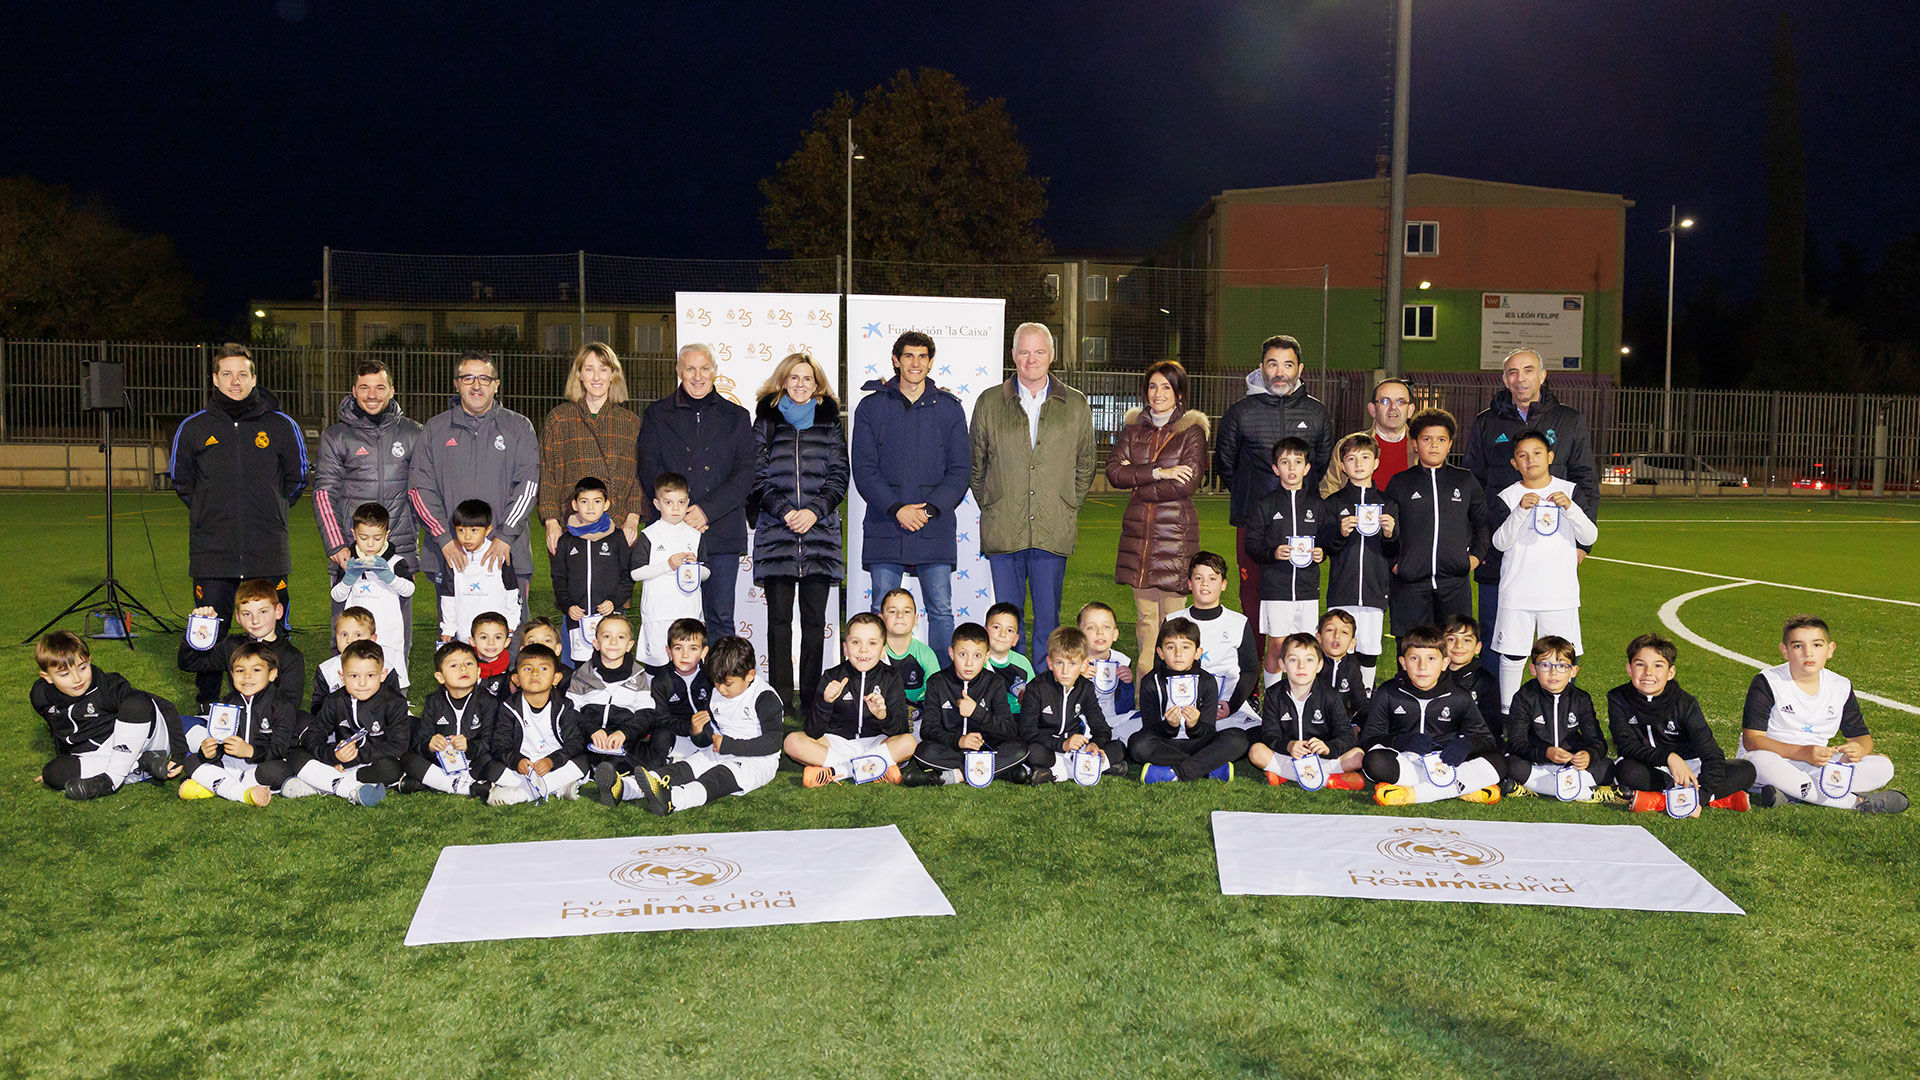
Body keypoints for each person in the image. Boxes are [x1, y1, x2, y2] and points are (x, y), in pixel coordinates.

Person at [170, 343, 307, 705]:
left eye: (242, 374)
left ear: (254, 378)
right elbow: (181, 482)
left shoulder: (280, 425)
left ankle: (276, 702)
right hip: (212, 552)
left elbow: (298, 479)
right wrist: (209, 513)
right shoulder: (195, 427)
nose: (235, 381)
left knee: (271, 629)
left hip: (266, 549)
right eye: (227, 374)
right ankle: (209, 702)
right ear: (215, 379)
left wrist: (270, 510)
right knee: (209, 630)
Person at [1465, 348, 1600, 674]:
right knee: (1499, 643)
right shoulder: (1486, 422)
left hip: (1551, 552)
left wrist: (1582, 545)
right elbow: (1473, 487)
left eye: (1528, 370)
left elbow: (1587, 481)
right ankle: (1498, 715)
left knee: (1558, 645)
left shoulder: (1568, 420)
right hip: (1499, 550)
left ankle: (1556, 715)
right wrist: (1481, 544)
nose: (1520, 378)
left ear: (1542, 375)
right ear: (1504, 379)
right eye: (1513, 372)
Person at [970, 322, 1095, 660]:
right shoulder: (989, 402)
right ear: (1013, 355)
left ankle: (1043, 690)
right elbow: (975, 466)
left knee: (1047, 620)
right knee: (1006, 623)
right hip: (1004, 528)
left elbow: (1086, 465)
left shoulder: (1076, 404)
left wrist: (1066, 505)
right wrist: (996, 502)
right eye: (1024, 351)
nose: (1031, 359)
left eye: (1039, 351)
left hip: (1052, 529)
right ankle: (1010, 688)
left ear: (1052, 355)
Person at [852, 331, 971, 656]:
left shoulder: (949, 409)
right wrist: (896, 509)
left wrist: (929, 510)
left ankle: (943, 691)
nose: (915, 363)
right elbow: (863, 469)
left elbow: (960, 470)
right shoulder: (871, 407)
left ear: (931, 362)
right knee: (883, 608)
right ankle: (879, 683)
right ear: (896, 360)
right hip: (885, 525)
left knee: (941, 610)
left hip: (934, 527)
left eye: (922, 357)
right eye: (908, 356)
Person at [409, 351, 541, 623]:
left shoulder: (519, 427)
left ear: (496, 384)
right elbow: (419, 490)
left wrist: (504, 537)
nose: (476, 385)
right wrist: (444, 540)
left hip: (506, 553)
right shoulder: (435, 429)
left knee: (511, 636)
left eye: (484, 378)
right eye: (468, 378)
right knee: (456, 642)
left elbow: (528, 486)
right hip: (451, 554)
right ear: (456, 384)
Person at [751, 352, 849, 712]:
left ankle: (810, 698)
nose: (800, 384)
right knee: (778, 623)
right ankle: (779, 699)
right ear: (783, 381)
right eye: (794, 378)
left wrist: (814, 511)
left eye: (807, 378)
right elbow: (756, 475)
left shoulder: (830, 423)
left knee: (814, 623)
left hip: (819, 535)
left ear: (817, 383)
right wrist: (785, 511)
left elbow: (840, 474)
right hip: (777, 534)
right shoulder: (765, 420)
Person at [637, 343, 754, 642]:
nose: (698, 376)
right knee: (673, 619)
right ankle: (672, 687)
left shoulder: (737, 417)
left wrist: (705, 511)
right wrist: (677, 512)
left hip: (720, 531)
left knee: (719, 618)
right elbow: (649, 467)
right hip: (669, 534)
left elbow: (745, 474)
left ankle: (721, 686)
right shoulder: (656, 414)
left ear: (715, 372)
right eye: (690, 368)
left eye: (704, 369)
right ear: (678, 371)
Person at [312, 358, 422, 661]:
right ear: (353, 390)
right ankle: (340, 705)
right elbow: (324, 493)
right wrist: (336, 545)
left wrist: (417, 543)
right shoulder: (337, 435)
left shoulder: (413, 433)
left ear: (392, 390)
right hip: (351, 554)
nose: (372, 395)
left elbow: (424, 492)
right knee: (347, 637)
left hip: (397, 552)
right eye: (364, 388)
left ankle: (396, 702)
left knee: (397, 636)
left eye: (379, 387)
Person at [1213, 335, 1332, 613]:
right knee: (1252, 595)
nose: (1280, 373)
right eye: (1272, 364)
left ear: (1300, 370)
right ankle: (1254, 657)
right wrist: (1253, 498)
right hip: (1251, 519)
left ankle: (1293, 657)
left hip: (1302, 519)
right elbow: (1225, 464)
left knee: (1296, 596)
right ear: (1261, 367)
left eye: (1288, 365)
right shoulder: (1239, 412)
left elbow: (1321, 462)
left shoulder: (1317, 413)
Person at [1738, 616, 1905, 813]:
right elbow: (1752, 740)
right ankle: (1857, 803)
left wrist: (1859, 749)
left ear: (1830, 649)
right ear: (1785, 651)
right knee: (1759, 762)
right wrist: (1804, 753)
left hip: (1819, 763)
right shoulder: (1768, 681)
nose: (1808, 653)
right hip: (1774, 760)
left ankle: (1793, 793)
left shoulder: (1840, 685)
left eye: (1817, 645)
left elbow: (1862, 737)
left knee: (1882, 766)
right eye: (1798, 646)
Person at [1106, 360, 1209, 677]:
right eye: (1153, 386)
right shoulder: (1133, 430)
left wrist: (1137, 484)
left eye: (1166, 386)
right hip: (1140, 543)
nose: (1158, 393)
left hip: (1175, 540)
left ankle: (1178, 702)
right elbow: (1113, 473)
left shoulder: (1192, 432)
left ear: (1179, 393)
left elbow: (1186, 484)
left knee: (1176, 628)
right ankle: (1144, 703)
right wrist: (1158, 472)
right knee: (1146, 625)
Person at [1488, 430, 1598, 712]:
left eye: (1537, 453)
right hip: (1517, 593)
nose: (1530, 460)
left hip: (1559, 594)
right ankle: (1509, 716)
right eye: (1522, 456)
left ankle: (1562, 717)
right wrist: (1519, 511)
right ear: (1514, 463)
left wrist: (1570, 508)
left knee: (1561, 659)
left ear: (1550, 457)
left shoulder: (1570, 492)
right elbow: (1499, 542)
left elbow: (1590, 536)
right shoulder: (1507, 497)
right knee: (1513, 657)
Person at [627, 636, 785, 816]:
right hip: (719, 750)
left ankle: (673, 799)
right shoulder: (716, 692)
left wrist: (728, 745)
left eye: (727, 684)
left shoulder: (765, 698)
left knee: (717, 776)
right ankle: (627, 788)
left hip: (757, 761)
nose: (721, 689)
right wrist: (698, 732)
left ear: (750, 675)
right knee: (688, 766)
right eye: (716, 683)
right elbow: (707, 739)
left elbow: (773, 742)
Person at [1607, 633, 1755, 815]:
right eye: (1640, 665)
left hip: (1690, 768)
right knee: (1626, 771)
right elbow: (1626, 745)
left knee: (1746, 770)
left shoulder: (1685, 703)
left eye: (1658, 666)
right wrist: (1669, 757)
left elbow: (1712, 754)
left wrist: (1700, 797)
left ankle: (1661, 800)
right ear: (1629, 669)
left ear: (1671, 672)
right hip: (1648, 766)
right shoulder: (1618, 698)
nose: (1648, 673)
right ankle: (1717, 799)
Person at [1358, 626, 1507, 806]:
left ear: (1444, 663)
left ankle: (1411, 794)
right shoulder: (1388, 692)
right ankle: (1461, 787)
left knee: (1499, 762)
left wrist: (1467, 744)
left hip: (1448, 762)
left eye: (1431, 658)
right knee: (1374, 762)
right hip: (1408, 762)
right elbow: (1369, 738)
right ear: (1403, 663)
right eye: (1414, 658)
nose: (1423, 666)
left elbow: (1486, 739)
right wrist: (1401, 741)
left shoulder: (1459, 696)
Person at [32, 631, 180, 800]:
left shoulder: (108, 685)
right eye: (65, 674)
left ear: (89, 660)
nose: (77, 679)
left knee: (136, 702)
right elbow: (57, 729)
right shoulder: (40, 695)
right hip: (102, 753)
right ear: (47, 677)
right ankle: (142, 764)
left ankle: (113, 779)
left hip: (136, 738)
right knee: (53, 773)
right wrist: (62, 764)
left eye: (83, 668)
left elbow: (162, 706)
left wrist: (179, 754)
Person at [1383, 408, 1490, 636]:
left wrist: (1474, 559)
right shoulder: (1400, 483)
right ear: (1415, 444)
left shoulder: (1465, 480)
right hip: (1410, 584)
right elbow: (1388, 531)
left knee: (1455, 645)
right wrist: (1396, 563)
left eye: (1441, 440)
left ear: (1450, 444)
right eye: (1427, 439)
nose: (1434, 445)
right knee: (1411, 646)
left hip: (1454, 584)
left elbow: (1482, 523)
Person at [540, 343, 646, 557]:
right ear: (579, 374)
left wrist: (633, 519)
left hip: (617, 528)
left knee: (616, 590)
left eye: (604, 369)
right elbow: (546, 474)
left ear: (613, 375)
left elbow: (638, 477)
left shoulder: (630, 422)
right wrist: (551, 521)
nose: (596, 377)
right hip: (570, 527)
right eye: (589, 369)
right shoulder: (560, 418)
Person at [788, 612, 915, 786]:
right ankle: (873, 769)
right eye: (856, 642)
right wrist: (826, 703)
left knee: (909, 743)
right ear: (845, 648)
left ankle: (837, 771)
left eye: (872, 643)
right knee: (792, 742)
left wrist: (883, 716)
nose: (863, 650)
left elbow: (901, 729)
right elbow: (812, 731)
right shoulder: (831, 676)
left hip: (876, 742)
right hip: (836, 743)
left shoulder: (891, 677)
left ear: (883, 649)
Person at [279, 639, 407, 804]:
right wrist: (333, 754)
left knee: (391, 769)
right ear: (342, 676)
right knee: (294, 753)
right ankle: (344, 785)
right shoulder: (335, 700)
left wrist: (355, 758)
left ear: (382, 675)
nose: (362, 683)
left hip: (370, 763)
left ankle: (319, 785)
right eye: (354, 676)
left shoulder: (395, 702)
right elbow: (314, 734)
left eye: (370, 675)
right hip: (338, 760)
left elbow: (398, 746)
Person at [1244, 436, 1326, 682]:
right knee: (1278, 646)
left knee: (1306, 648)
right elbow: (1252, 546)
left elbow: (1326, 541)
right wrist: (1273, 553)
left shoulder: (1317, 505)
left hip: (1308, 589)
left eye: (1297, 462)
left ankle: (1301, 699)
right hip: (1276, 588)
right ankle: (1272, 702)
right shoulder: (1265, 505)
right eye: (1285, 462)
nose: (1292, 468)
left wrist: (1322, 552)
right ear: (1275, 468)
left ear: (1307, 468)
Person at [1319, 434, 1398, 688]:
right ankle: (1334, 698)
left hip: (1375, 591)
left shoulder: (1388, 503)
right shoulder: (1334, 503)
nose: (1359, 463)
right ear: (1342, 465)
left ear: (1376, 462)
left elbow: (1395, 550)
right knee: (1337, 648)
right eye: (1351, 459)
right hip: (1342, 590)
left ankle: (1365, 700)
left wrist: (1389, 533)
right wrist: (1339, 533)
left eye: (1365, 457)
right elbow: (1325, 548)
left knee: (1368, 649)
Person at [907, 621, 1028, 786]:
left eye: (977, 656)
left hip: (986, 748)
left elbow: (1009, 730)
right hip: (952, 750)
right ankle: (998, 772)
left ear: (986, 657)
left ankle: (956, 775)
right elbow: (928, 730)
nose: (969, 663)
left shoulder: (994, 682)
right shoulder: (938, 682)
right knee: (923, 752)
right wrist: (959, 741)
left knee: (1019, 749)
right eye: (962, 654)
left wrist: (977, 712)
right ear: (951, 653)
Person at [1131, 618, 1248, 783]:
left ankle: (1175, 773)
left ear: (1197, 652)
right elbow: (1150, 729)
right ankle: (1210, 766)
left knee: (1238, 738)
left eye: (1186, 647)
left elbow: (1208, 730)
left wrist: (1195, 725)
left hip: (1199, 742)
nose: (1178, 653)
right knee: (1138, 745)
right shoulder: (1151, 681)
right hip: (1165, 744)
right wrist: (1169, 726)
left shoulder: (1207, 681)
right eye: (1170, 647)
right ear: (1160, 653)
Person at [176, 641, 291, 807]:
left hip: (260, 767)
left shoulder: (282, 706)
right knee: (192, 760)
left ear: (272, 674)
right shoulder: (226, 704)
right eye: (239, 671)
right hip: (229, 764)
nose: (247, 676)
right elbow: (221, 743)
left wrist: (250, 751)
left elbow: (280, 750)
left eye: (256, 670)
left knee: (280, 772)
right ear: (231, 674)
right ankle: (243, 792)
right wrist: (210, 753)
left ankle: (220, 786)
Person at [1502, 635, 1614, 800]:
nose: (1553, 672)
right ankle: (1586, 794)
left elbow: (1597, 742)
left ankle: (1535, 788)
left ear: (1573, 671)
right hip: (1536, 763)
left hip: (1572, 765)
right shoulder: (1524, 697)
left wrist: (1588, 755)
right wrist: (1545, 753)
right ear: (1533, 669)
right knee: (1510, 765)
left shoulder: (1581, 699)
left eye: (1562, 665)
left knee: (1608, 767)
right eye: (1545, 665)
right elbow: (1516, 742)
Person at [1249, 633, 1365, 789]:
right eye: (1293, 660)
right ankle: (1328, 780)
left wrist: (1328, 748)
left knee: (1358, 756)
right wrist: (1289, 745)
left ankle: (1285, 774)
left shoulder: (1331, 696)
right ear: (1282, 665)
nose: (1301, 666)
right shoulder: (1274, 694)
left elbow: (1346, 735)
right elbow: (1270, 734)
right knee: (1256, 752)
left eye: (1309, 660)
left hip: (1323, 759)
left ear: (1319, 666)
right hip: (1288, 756)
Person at [1161, 552, 1262, 728]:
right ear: (1189, 584)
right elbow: (1160, 667)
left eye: (1213, 578)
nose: (1205, 583)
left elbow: (1250, 671)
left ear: (1223, 585)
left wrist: (1231, 706)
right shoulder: (1173, 620)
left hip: (1225, 709)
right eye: (1198, 578)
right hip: (1183, 710)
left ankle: (1194, 752)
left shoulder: (1238, 623)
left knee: (1249, 739)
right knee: (1141, 745)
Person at [178, 577, 305, 711]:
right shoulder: (232, 645)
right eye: (247, 614)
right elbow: (189, 663)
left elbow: (290, 705)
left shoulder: (291, 656)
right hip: (237, 723)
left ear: (278, 611)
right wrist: (198, 628)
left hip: (272, 725)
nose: (255, 620)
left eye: (263, 612)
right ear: (238, 617)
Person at [485, 644, 589, 805]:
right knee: (490, 766)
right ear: (517, 679)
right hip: (523, 767)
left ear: (556, 678)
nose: (535, 673)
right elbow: (500, 744)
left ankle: (521, 794)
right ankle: (558, 787)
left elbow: (574, 743)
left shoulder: (563, 706)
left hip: (554, 764)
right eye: (527, 669)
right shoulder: (509, 707)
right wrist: (517, 760)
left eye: (543, 669)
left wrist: (551, 761)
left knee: (583, 762)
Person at [1021, 626, 1126, 783]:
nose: (1065, 671)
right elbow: (1027, 732)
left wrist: (1095, 745)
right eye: (1059, 663)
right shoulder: (1036, 688)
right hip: (1048, 748)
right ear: (1049, 663)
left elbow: (1100, 726)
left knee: (1119, 747)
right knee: (1031, 751)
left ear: (1084, 664)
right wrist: (1062, 744)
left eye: (1072, 664)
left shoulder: (1085, 688)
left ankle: (1055, 773)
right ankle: (1084, 769)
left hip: (1076, 750)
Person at [400, 640, 503, 800]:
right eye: (454, 666)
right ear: (440, 677)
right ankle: (465, 787)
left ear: (478, 672)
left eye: (469, 663)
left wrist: (469, 747)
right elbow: (421, 741)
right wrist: (430, 745)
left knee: (495, 766)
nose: (463, 668)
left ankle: (435, 783)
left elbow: (492, 742)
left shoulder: (488, 701)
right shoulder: (433, 701)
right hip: (441, 762)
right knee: (409, 759)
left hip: (475, 762)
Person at [327, 503, 414, 691]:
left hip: (388, 638)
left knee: (392, 681)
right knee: (360, 679)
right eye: (363, 538)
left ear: (387, 535)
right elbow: (336, 595)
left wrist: (389, 577)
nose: (370, 544)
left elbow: (408, 590)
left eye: (377, 538)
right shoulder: (349, 563)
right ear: (354, 533)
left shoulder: (395, 562)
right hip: (356, 639)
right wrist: (348, 578)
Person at [550, 476, 635, 662]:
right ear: (574, 505)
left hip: (609, 616)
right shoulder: (566, 540)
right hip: (577, 617)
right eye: (584, 501)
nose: (590, 507)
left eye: (597, 501)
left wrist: (614, 602)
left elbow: (628, 576)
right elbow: (558, 578)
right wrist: (568, 605)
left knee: (612, 662)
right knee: (579, 667)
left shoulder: (617, 537)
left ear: (606, 505)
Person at [630, 473, 711, 667]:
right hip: (658, 614)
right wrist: (668, 565)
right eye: (669, 502)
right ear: (657, 504)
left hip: (689, 614)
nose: (676, 508)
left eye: (681, 502)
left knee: (688, 666)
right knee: (657, 667)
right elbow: (636, 573)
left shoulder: (695, 535)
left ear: (688, 502)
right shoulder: (649, 535)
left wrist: (695, 567)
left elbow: (707, 573)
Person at [434, 500, 522, 644]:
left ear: (488, 530)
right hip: (465, 634)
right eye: (461, 530)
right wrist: (448, 628)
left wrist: (511, 622)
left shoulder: (499, 553)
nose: (467, 537)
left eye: (474, 530)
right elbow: (448, 595)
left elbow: (511, 589)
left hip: (494, 636)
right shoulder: (453, 556)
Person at [1319, 377, 1415, 497]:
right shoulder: (1348, 445)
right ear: (1372, 409)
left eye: (1400, 402)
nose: (1393, 407)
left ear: (1410, 410)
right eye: (1385, 401)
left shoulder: (1422, 447)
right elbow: (1328, 491)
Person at [309, 607, 402, 716]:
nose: (349, 640)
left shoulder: (386, 669)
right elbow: (317, 708)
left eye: (357, 635)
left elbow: (395, 705)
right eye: (343, 634)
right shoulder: (326, 670)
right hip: (338, 729)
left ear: (373, 639)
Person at [646, 618, 714, 761]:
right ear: (668, 651)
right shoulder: (660, 681)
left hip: (709, 734)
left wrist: (702, 728)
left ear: (704, 652)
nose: (685, 655)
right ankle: (657, 771)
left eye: (693, 648)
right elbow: (661, 720)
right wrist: (690, 727)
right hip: (678, 735)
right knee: (660, 736)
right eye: (678, 648)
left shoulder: (711, 677)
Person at [878, 588, 940, 728]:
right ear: (881, 618)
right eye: (892, 611)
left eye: (906, 611)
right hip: (880, 721)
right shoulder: (873, 653)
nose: (900, 615)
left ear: (915, 619)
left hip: (917, 722)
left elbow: (936, 698)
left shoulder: (926, 654)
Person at [1078, 602, 1138, 744]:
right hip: (1083, 719)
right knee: (1071, 727)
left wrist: (1127, 684)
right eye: (1091, 627)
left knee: (1143, 720)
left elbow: (1125, 708)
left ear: (1115, 634)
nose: (1100, 632)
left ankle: (1110, 742)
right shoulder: (1073, 661)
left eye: (1106, 627)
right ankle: (1112, 746)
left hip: (1113, 719)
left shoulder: (1121, 661)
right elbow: (1062, 701)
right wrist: (1078, 679)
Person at [1442, 616, 1503, 734]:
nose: (1459, 645)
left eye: (1467, 640)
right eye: (1451, 639)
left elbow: (1493, 727)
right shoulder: (1431, 677)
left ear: (1477, 648)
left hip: (1474, 744)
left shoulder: (1485, 681)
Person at [1314, 610, 1372, 722]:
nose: (1336, 636)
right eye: (1330, 630)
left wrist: (1357, 725)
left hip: (1342, 726)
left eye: (1344, 632)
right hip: (1313, 725)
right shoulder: (1311, 663)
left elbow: (1360, 702)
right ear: (1319, 638)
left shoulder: (1352, 665)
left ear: (1352, 643)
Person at [983, 602, 1036, 716]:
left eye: (1009, 630)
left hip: (1016, 718)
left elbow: (1034, 699)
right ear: (985, 631)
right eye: (996, 627)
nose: (1002, 634)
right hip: (985, 718)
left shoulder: (1022, 664)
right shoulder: (976, 661)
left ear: (1015, 639)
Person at [469, 612, 514, 697]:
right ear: (472, 641)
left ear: (506, 642)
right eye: (484, 637)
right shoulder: (465, 666)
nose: (491, 643)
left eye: (497, 637)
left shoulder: (508, 673)